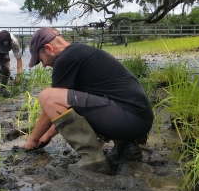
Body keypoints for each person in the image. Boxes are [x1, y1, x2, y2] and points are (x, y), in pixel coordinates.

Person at [23, 27, 154, 174]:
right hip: (139, 120)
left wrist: (33, 140)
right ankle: (126, 146)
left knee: (46, 96)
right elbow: (68, 110)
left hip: (129, 119)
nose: (44, 65)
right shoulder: (79, 52)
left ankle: (93, 160)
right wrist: (48, 135)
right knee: (73, 98)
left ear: (48, 48)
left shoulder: (65, 58)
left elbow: (50, 105)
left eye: (41, 60)